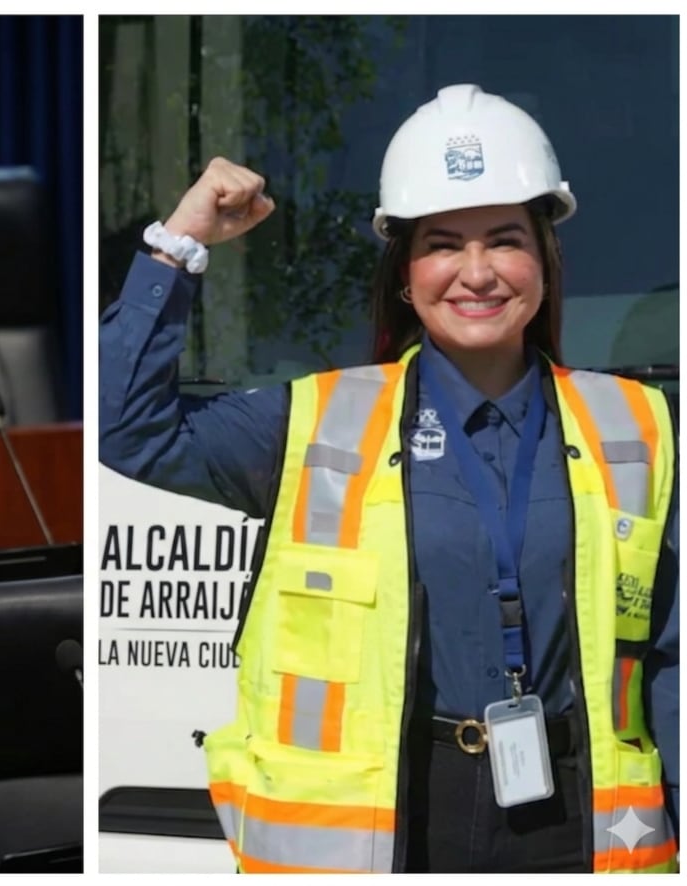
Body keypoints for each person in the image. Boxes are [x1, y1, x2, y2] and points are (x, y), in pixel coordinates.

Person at [99, 84, 678, 873]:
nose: (476, 273)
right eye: (443, 243)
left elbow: (669, 662)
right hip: (401, 821)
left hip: (580, 823)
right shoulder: (313, 420)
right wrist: (182, 241)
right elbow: (125, 428)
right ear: (406, 273)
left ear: (545, 260)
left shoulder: (641, 427)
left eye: (504, 239)